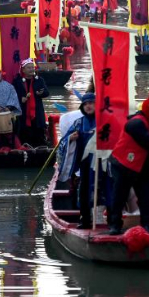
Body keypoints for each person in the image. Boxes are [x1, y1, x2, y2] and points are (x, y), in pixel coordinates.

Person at [108, 88, 149, 236]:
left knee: (145, 196)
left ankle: (147, 225)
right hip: (123, 164)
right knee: (119, 196)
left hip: (141, 166)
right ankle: (115, 225)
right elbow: (147, 142)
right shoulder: (136, 124)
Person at [57, 93, 98, 229]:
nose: (88, 106)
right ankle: (85, 220)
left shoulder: (104, 122)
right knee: (85, 191)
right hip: (85, 164)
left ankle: (112, 221)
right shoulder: (79, 123)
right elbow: (63, 143)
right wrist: (71, 139)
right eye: (85, 104)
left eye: (91, 103)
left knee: (105, 189)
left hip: (102, 163)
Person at [11, 59, 50, 148]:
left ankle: (40, 149)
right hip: (23, 112)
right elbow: (12, 96)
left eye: (33, 67)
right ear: (23, 69)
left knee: (38, 132)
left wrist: (41, 93)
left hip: (37, 112)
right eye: (29, 68)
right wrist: (21, 99)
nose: (32, 69)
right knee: (24, 132)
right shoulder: (17, 81)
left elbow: (46, 93)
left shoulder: (39, 80)